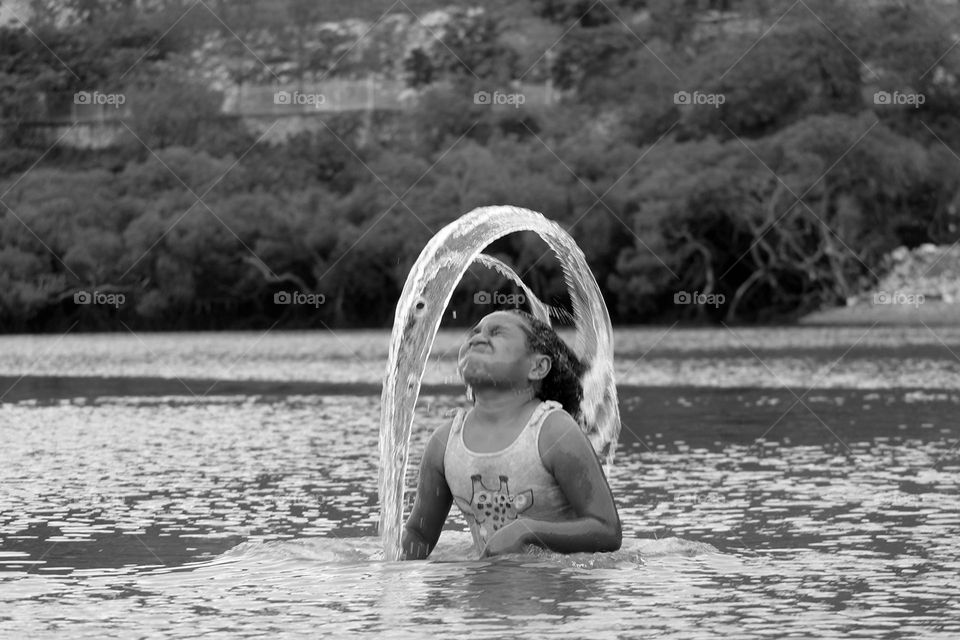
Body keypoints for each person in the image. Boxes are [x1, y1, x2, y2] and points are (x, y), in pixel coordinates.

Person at [400, 308, 622, 560]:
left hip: (557, 582)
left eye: (496, 333)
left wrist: (526, 531)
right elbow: (419, 534)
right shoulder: (444, 442)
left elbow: (607, 530)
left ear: (537, 367)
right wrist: (383, 573)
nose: (477, 338)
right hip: (486, 582)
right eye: (474, 333)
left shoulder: (554, 432)